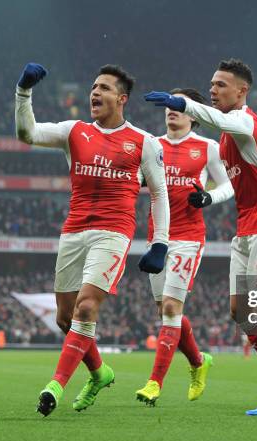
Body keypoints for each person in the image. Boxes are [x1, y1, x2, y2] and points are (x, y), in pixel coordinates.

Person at [145, 59, 257, 416]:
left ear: (242, 91)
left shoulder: (246, 122)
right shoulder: (225, 137)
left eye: (221, 85)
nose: (214, 90)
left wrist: (182, 103)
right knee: (241, 313)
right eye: (212, 84)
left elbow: (218, 118)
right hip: (247, 226)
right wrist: (208, 195)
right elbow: (230, 184)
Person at [15, 62, 170, 416]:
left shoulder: (144, 142)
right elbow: (28, 134)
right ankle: (100, 372)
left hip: (114, 231)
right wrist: (23, 91)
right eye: (93, 87)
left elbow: (159, 194)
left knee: (87, 307)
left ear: (122, 98)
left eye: (103, 88)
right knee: (66, 318)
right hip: (73, 230)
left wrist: (159, 242)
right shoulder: (75, 131)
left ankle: (55, 386)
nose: (94, 93)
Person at [135, 88, 233, 406]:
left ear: (193, 114)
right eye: (167, 105)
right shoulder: (152, 145)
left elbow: (228, 184)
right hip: (158, 237)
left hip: (189, 237)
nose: (170, 110)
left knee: (171, 308)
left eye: (178, 106)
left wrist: (208, 197)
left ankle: (154, 383)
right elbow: (137, 179)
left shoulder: (208, 148)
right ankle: (198, 362)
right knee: (164, 309)